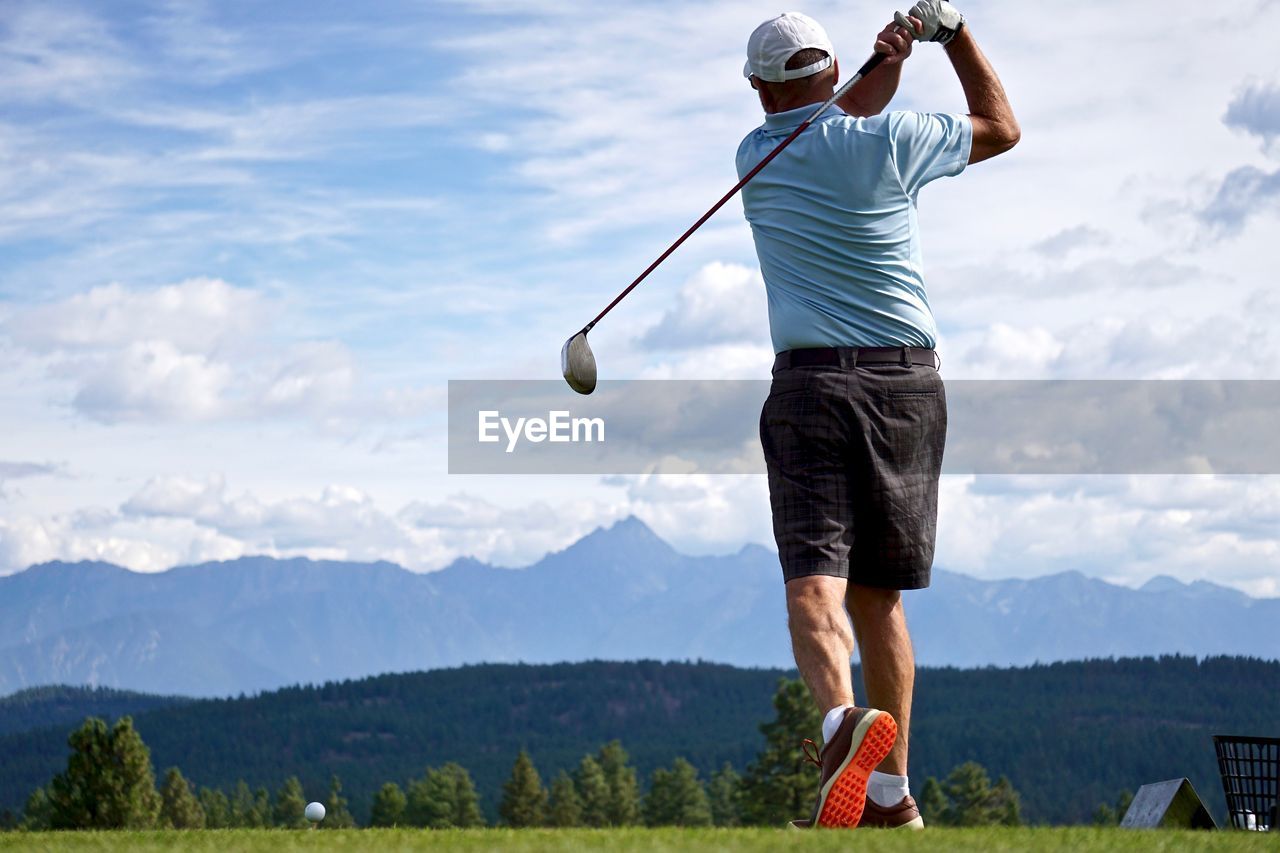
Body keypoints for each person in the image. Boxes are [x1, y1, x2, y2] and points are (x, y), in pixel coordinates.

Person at [739, 1, 1019, 830]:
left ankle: (838, 726)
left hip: (809, 388)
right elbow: (1000, 127)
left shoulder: (756, 155)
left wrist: (885, 64)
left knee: (813, 582)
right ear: (831, 72)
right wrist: (950, 36)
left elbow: (828, 119)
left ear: (758, 92)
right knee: (880, 597)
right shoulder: (893, 144)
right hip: (908, 387)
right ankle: (893, 797)